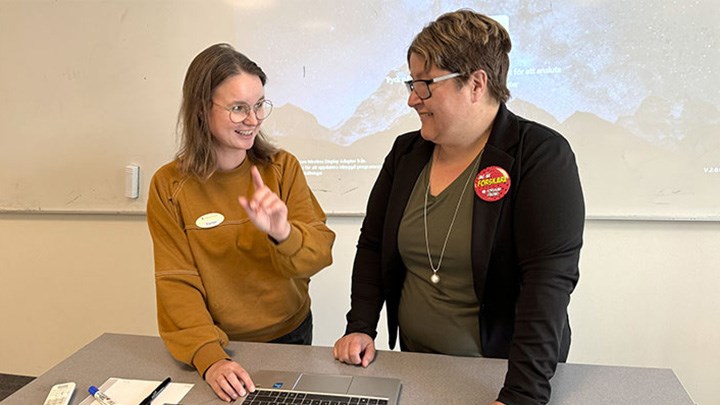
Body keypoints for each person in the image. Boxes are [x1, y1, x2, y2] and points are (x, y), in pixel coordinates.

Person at [333, 9, 584, 405]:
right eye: (412, 83)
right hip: (414, 367)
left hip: (497, 373)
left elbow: (547, 283)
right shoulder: (406, 153)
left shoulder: (539, 156)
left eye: (425, 84)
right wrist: (360, 325)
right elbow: (373, 244)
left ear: (476, 83)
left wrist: (521, 394)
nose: (412, 98)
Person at [147, 43, 335, 402]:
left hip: (291, 335)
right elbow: (176, 283)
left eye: (259, 104)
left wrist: (283, 232)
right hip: (220, 346)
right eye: (238, 108)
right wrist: (210, 358)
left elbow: (318, 256)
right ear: (202, 110)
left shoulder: (282, 168)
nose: (253, 120)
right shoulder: (169, 185)